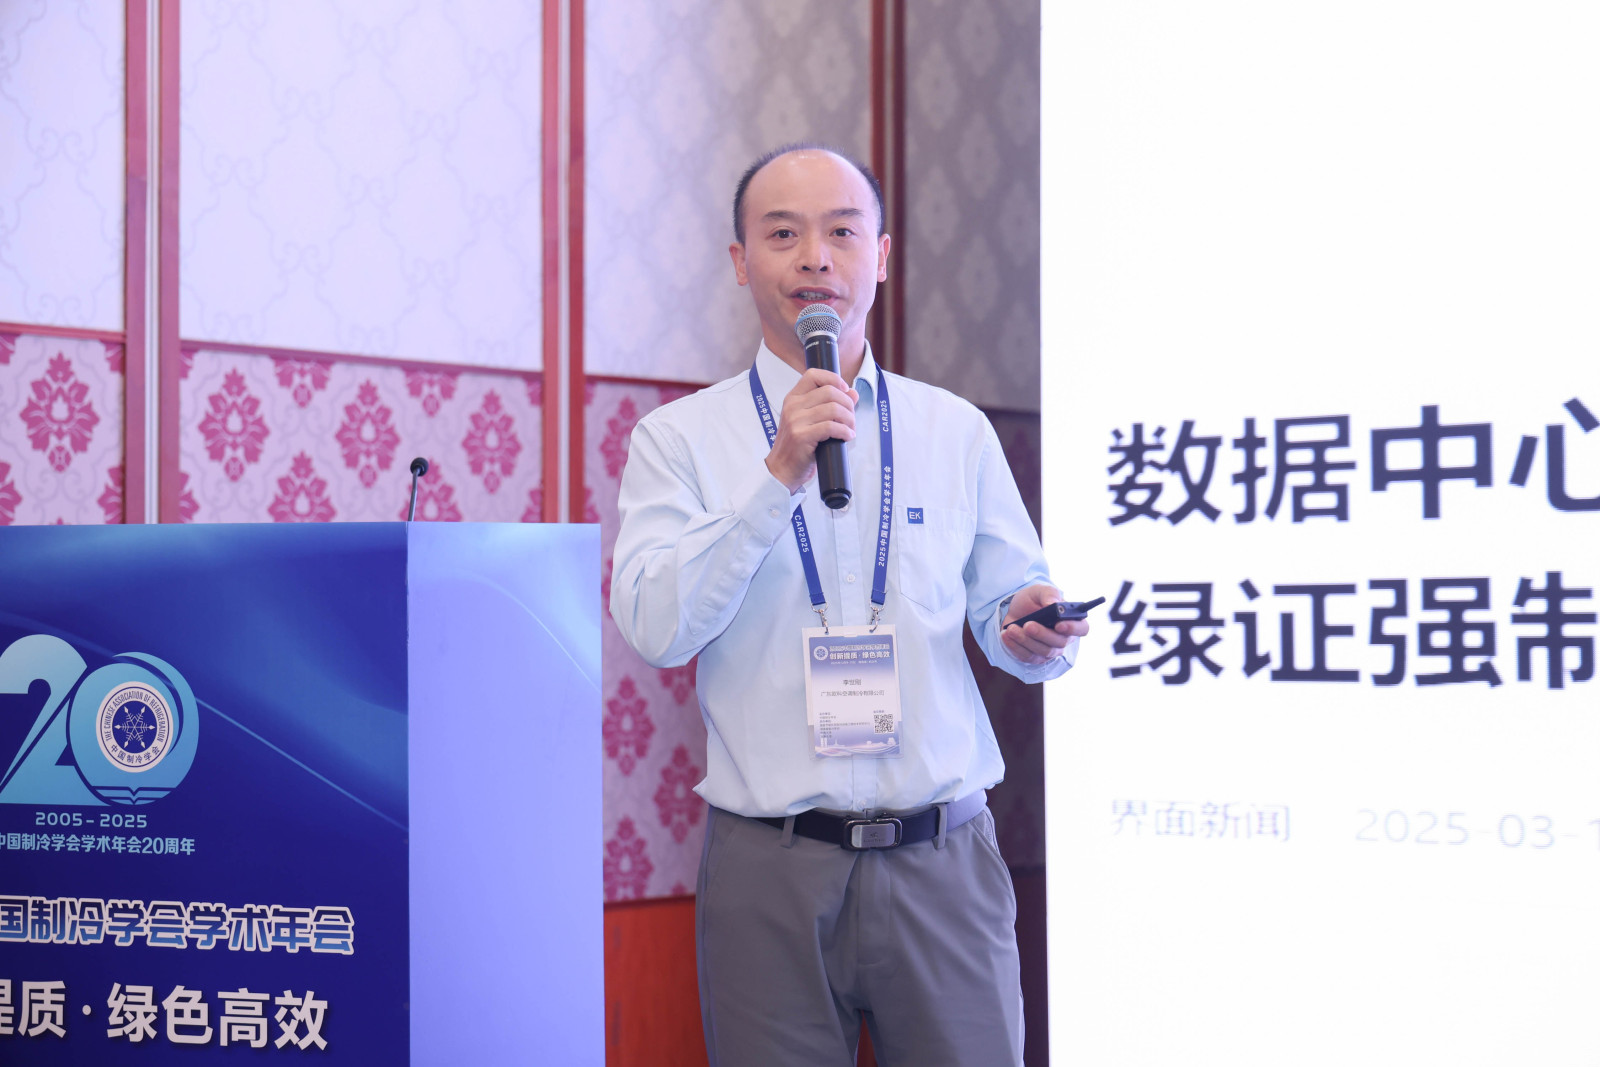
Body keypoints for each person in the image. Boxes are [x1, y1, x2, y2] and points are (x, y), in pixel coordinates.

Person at [609, 143, 1088, 1067]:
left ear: (882, 255)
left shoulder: (954, 429)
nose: (814, 259)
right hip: (770, 867)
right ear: (741, 260)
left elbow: (1009, 608)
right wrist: (777, 472)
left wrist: (1029, 627)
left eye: (840, 232)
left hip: (943, 859)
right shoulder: (678, 439)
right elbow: (657, 628)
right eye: (782, 234)